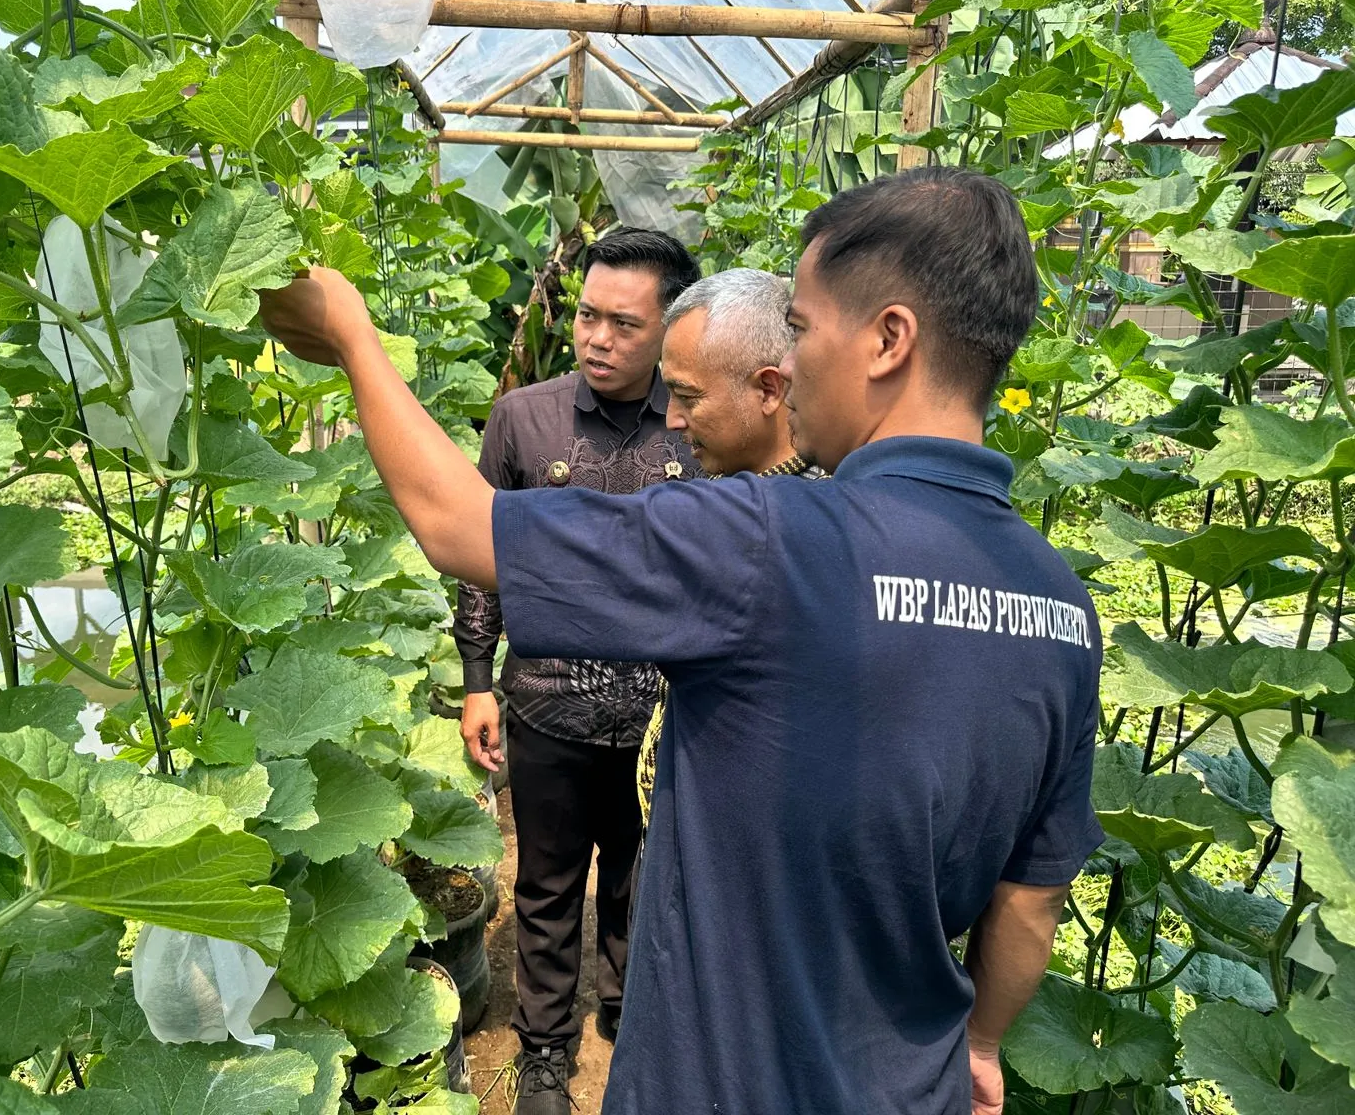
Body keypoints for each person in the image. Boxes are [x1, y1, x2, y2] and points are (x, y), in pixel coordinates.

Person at [259, 167, 1103, 1115]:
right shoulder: (1060, 602)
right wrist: (980, 1044)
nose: (793, 360)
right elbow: (1032, 899)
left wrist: (353, 338)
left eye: (806, 327)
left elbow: (460, 529)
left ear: (887, 339)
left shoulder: (771, 538)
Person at [449, 227, 701, 1112]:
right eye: (588, 316)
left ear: (671, 330)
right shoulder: (525, 418)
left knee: (645, 873)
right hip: (546, 702)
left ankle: (629, 1015)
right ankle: (546, 1050)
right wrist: (478, 678)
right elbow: (480, 558)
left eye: (623, 325)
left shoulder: (697, 427)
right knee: (548, 882)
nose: (596, 337)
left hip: (665, 715)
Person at [637, 267, 820, 826]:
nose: (671, 419)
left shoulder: (806, 529)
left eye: (687, 396)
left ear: (770, 389)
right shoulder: (728, 491)